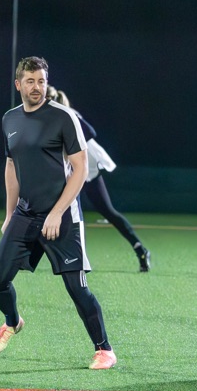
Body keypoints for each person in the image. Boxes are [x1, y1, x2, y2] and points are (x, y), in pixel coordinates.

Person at [0, 56, 117, 370]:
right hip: (26, 213)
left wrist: (57, 213)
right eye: (30, 81)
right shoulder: (10, 120)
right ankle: (13, 322)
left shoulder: (63, 117)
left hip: (63, 215)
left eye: (41, 81)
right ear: (18, 84)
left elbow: (80, 168)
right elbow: (10, 167)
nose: (37, 87)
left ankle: (104, 350)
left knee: (77, 287)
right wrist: (9, 214)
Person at [47, 88, 150, 272]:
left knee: (91, 210)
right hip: (76, 166)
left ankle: (139, 249)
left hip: (87, 166)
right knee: (65, 209)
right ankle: (70, 257)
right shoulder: (53, 119)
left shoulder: (67, 115)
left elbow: (90, 132)